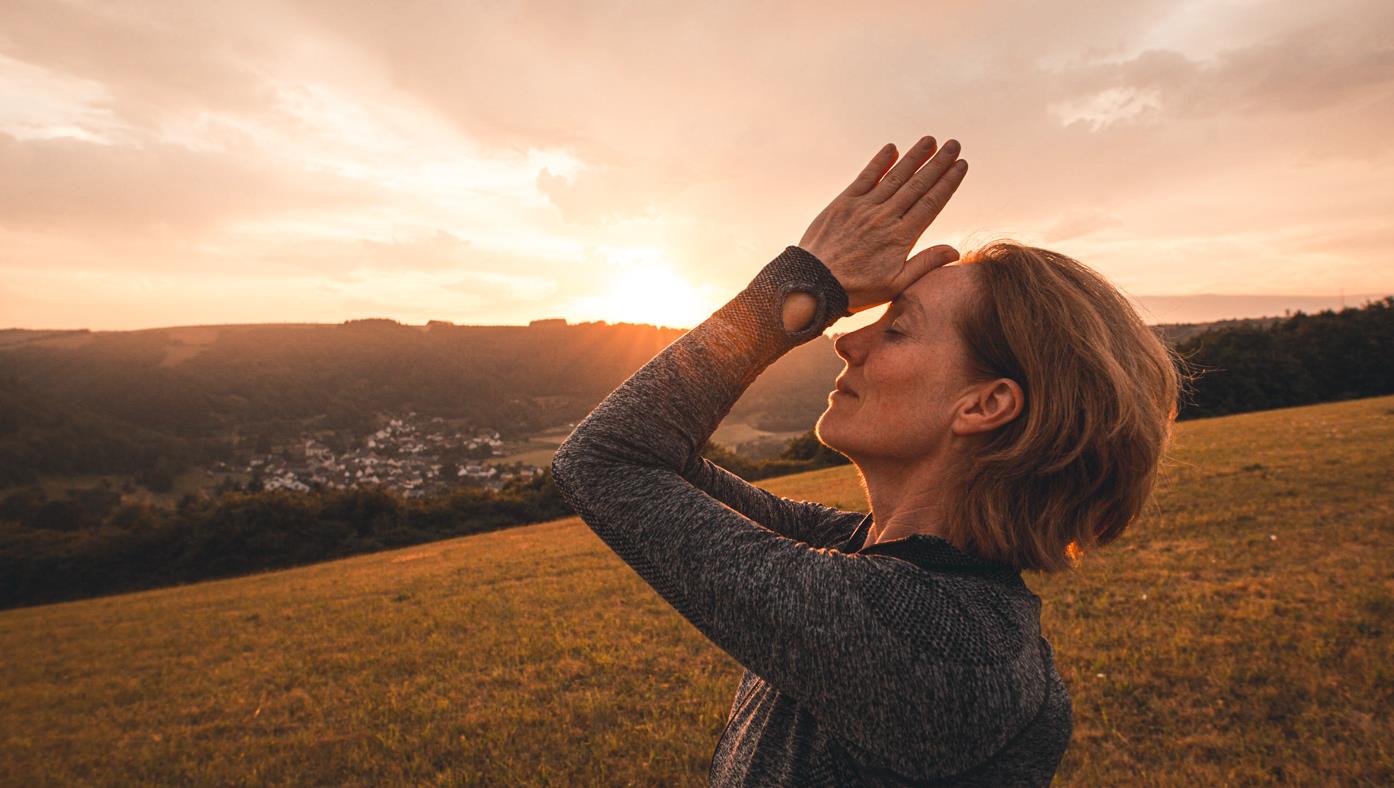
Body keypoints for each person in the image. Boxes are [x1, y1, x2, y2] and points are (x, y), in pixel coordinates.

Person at [550, 134, 1184, 785]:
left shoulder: (917, 636)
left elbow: (606, 460)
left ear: (984, 404)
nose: (848, 339)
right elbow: (652, 450)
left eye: (898, 328)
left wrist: (804, 287)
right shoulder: (870, 555)